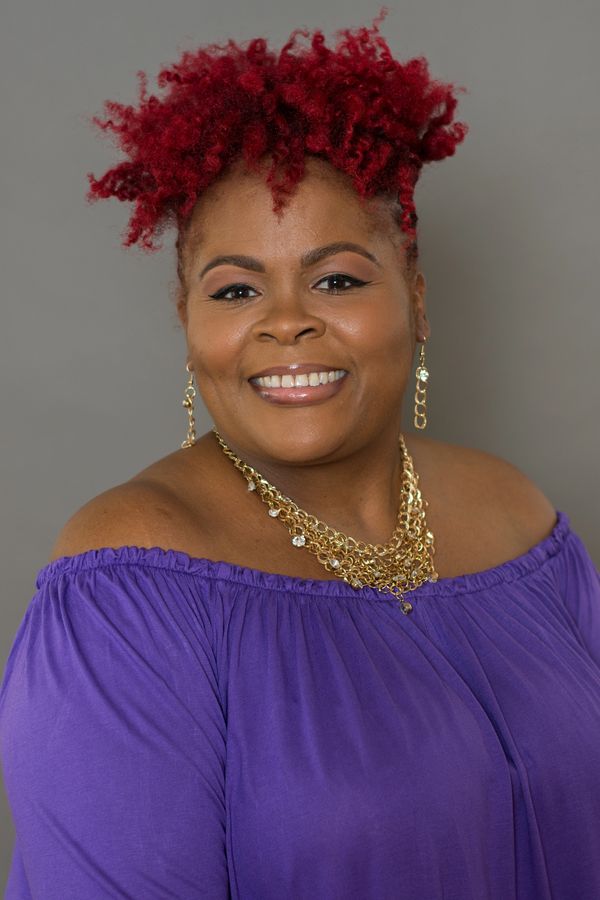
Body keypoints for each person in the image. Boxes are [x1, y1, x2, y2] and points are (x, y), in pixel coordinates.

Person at [1, 11, 599, 899]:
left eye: (338, 279)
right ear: (188, 323)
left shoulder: (516, 516)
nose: (287, 320)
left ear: (417, 299)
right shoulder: (126, 585)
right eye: (237, 288)